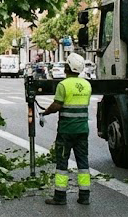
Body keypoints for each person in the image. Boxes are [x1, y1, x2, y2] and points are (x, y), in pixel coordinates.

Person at [41, 55, 92, 206]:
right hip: (82, 130)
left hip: (66, 131)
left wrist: (45, 112)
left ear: (67, 68)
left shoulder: (63, 85)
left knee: (62, 164)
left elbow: (57, 105)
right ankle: (84, 196)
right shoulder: (87, 85)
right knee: (83, 163)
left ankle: (60, 197)